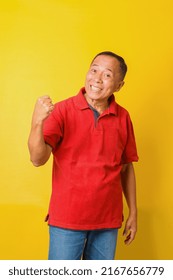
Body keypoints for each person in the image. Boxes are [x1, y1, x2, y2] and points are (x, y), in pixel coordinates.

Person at [28, 51, 139, 260]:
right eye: (94, 70)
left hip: (107, 222)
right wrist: (37, 122)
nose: (97, 78)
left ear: (119, 85)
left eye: (107, 75)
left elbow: (126, 166)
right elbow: (37, 159)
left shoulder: (123, 117)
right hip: (67, 221)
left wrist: (133, 212)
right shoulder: (62, 111)